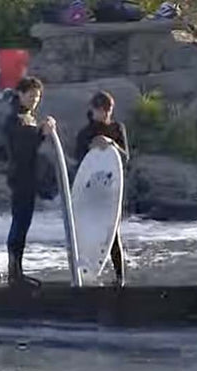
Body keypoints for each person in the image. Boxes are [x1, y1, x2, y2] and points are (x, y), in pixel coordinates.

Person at [4, 77, 56, 287]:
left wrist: (41, 131)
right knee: (20, 223)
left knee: (23, 223)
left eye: (38, 96)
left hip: (28, 177)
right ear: (20, 94)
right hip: (20, 177)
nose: (35, 100)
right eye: (31, 95)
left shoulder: (27, 116)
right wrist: (42, 134)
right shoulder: (15, 118)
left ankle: (17, 271)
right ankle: (14, 272)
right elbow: (23, 149)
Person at [75, 91, 130, 287]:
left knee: (112, 232)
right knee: (86, 230)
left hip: (110, 191)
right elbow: (79, 162)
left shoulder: (117, 128)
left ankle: (120, 277)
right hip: (91, 192)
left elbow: (124, 158)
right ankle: (81, 273)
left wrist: (112, 144)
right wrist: (92, 147)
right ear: (93, 110)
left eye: (108, 110)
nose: (104, 114)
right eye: (100, 110)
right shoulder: (85, 133)